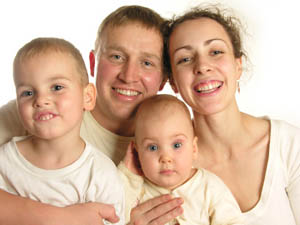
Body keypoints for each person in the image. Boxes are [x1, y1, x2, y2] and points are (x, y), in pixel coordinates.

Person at [0, 5, 183, 225]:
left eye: (146, 63)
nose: (129, 75)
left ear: (163, 78)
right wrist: (60, 218)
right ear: (93, 62)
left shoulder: (174, 143)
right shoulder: (36, 114)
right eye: (116, 56)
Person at [163, 4, 300, 225]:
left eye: (215, 52)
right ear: (173, 82)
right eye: (185, 59)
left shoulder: (290, 146)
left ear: (238, 66)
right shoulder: (163, 163)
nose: (203, 66)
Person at [0, 37, 125, 225]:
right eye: (27, 92)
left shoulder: (100, 174)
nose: (41, 100)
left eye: (57, 87)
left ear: (88, 97)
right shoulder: (5, 161)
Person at [118, 94, 244, 225]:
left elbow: (232, 221)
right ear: (136, 152)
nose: (165, 158)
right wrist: (127, 175)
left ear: (194, 148)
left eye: (176, 145)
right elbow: (113, 213)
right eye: (153, 147)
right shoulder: (134, 188)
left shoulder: (208, 186)